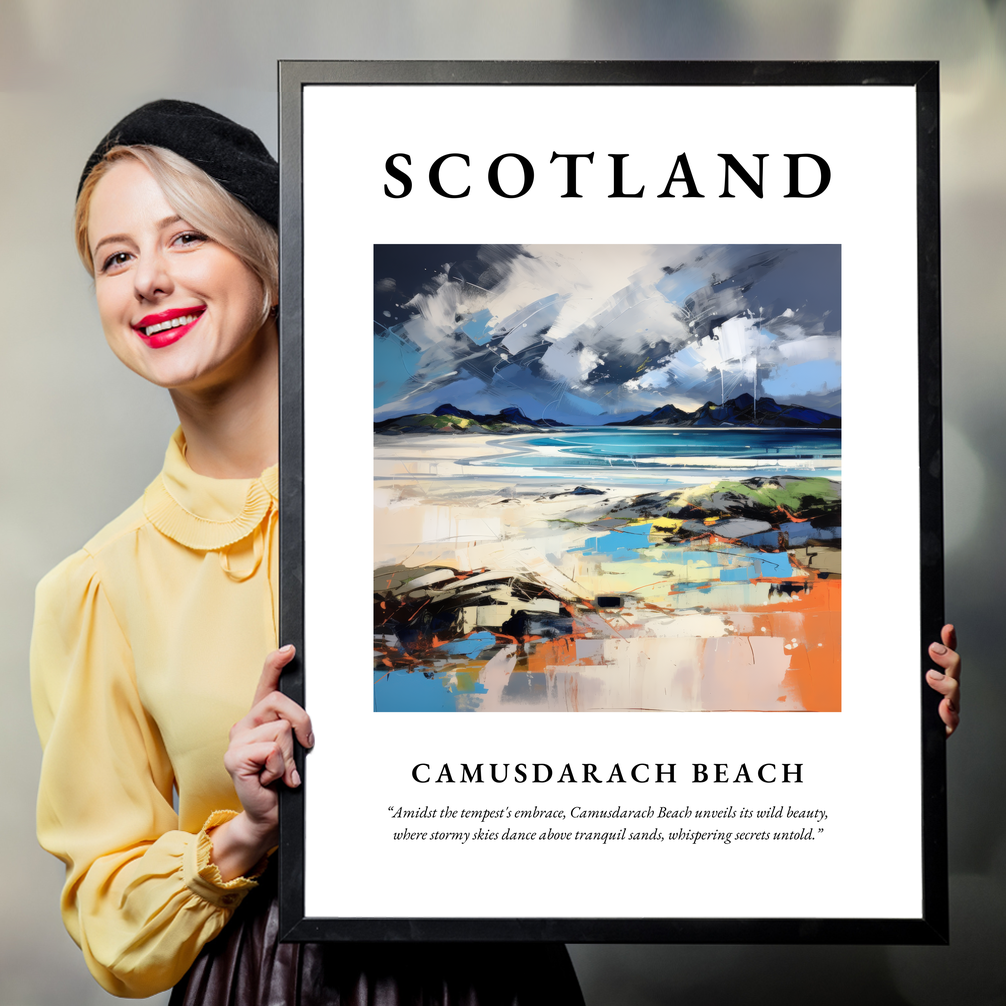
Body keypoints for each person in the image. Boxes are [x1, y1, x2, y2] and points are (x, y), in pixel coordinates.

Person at [30, 100, 586, 1004]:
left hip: (492, 973)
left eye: (185, 239)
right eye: (116, 257)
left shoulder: (456, 499)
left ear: (273, 264)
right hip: (262, 981)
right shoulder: (97, 587)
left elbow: (613, 699)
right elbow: (110, 924)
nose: (148, 281)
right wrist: (245, 832)